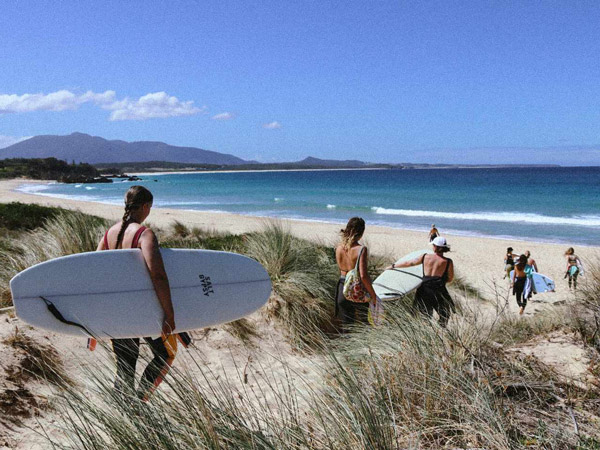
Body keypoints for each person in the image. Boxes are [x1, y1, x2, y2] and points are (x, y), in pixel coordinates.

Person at [96, 185, 177, 401]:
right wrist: (169, 313)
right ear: (145, 206)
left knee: (125, 366)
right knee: (166, 353)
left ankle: (124, 412)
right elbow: (157, 275)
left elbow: (94, 272)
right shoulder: (144, 234)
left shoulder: (108, 235)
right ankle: (141, 400)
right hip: (143, 310)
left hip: (117, 312)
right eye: (149, 207)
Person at [387, 236, 455, 327]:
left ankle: (424, 332)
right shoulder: (448, 262)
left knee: (425, 313)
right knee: (445, 313)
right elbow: (450, 278)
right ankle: (440, 329)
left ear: (435, 246)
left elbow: (409, 263)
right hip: (438, 290)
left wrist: (393, 266)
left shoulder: (425, 257)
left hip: (424, 289)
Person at [335, 217, 377, 330]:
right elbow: (363, 276)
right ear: (361, 232)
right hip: (357, 290)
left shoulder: (338, 248)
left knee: (346, 327)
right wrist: (373, 295)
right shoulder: (361, 249)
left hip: (342, 288)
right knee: (364, 326)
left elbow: (341, 268)